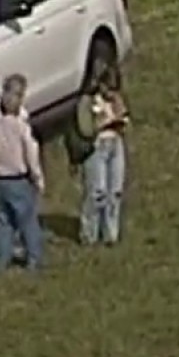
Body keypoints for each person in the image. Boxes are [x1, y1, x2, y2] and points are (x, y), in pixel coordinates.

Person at [0, 75, 46, 272]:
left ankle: (1, 260)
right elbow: (31, 155)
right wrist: (38, 179)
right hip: (18, 179)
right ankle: (34, 258)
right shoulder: (22, 128)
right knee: (27, 221)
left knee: (1, 222)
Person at [74, 66, 130, 246]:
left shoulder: (116, 100)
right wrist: (102, 122)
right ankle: (89, 233)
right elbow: (85, 128)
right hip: (97, 147)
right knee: (97, 192)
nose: (111, 94)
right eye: (109, 89)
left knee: (115, 191)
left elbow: (125, 120)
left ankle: (110, 234)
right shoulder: (88, 102)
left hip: (115, 144)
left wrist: (119, 112)